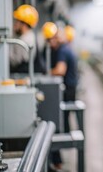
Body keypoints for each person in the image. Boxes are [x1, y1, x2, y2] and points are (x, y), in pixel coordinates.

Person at [42, 22, 79, 171]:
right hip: (70, 89)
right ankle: (57, 161)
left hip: (67, 90)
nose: (51, 43)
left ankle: (57, 162)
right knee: (61, 121)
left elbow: (60, 70)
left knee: (56, 123)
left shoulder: (62, 50)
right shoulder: (66, 48)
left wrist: (45, 74)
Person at [10, 4, 45, 73]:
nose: (15, 24)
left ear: (23, 24)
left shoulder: (24, 40)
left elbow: (14, 62)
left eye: (17, 21)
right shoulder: (31, 36)